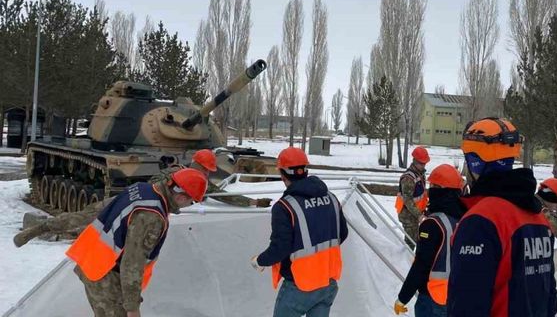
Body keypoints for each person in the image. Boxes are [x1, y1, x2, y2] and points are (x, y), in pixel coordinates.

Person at [12, 150, 265, 248]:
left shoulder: (184, 173)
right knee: (92, 224)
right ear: (201, 166)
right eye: (207, 170)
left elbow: (225, 197)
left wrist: (253, 203)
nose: (208, 174)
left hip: (126, 199)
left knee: (84, 217)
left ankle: (40, 229)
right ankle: (46, 230)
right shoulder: (189, 179)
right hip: (135, 209)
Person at [447, 118, 557, 317]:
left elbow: (467, 305)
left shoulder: (481, 222)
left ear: (475, 161)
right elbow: (550, 299)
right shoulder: (538, 219)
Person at [65, 168, 207, 317]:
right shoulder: (152, 217)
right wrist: (132, 308)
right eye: (192, 201)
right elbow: (132, 262)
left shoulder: (141, 189)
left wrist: (46, 226)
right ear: (181, 197)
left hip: (93, 264)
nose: (190, 205)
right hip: (106, 277)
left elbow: (95, 210)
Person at [252, 147, 348, 317]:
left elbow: (280, 248)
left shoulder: (284, 207)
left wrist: (259, 261)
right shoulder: (332, 198)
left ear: (282, 174)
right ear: (305, 170)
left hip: (299, 286)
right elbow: (343, 234)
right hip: (327, 282)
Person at [394, 164, 466, 317]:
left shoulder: (432, 224)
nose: (428, 190)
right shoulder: (464, 220)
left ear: (439, 190)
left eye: (432, 186)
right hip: (458, 296)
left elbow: (421, 265)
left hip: (433, 297)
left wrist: (403, 298)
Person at [395, 146, 430, 245]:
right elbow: (408, 200)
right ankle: (406, 259)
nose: (424, 165)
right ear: (415, 161)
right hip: (408, 215)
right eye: (421, 163)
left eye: (425, 163)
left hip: (416, 213)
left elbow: (421, 193)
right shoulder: (408, 178)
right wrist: (419, 215)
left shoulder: (420, 174)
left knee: (415, 239)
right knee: (411, 242)